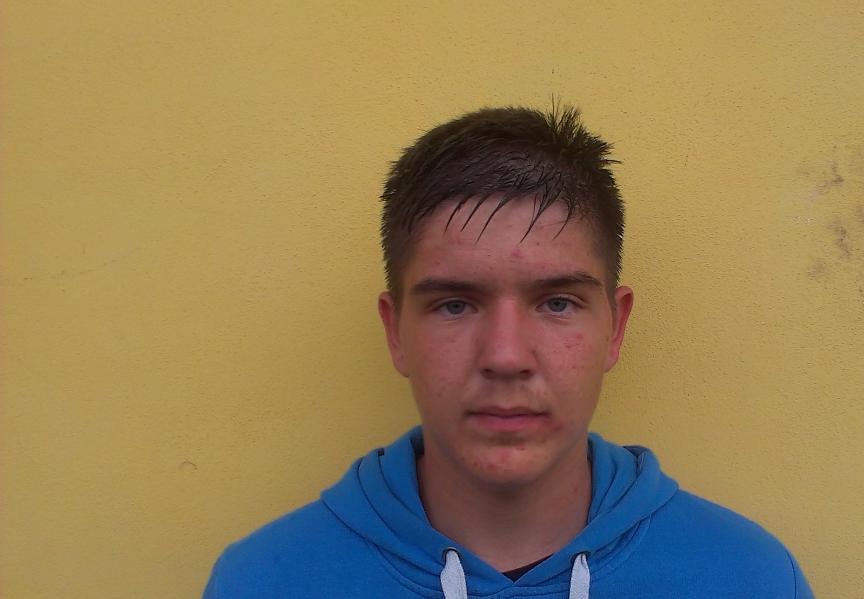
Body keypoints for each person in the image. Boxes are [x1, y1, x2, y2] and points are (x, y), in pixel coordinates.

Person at [203, 105, 814, 598]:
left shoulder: (750, 579)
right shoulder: (260, 583)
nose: (505, 356)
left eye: (557, 303)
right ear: (395, 333)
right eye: (454, 305)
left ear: (616, 327)